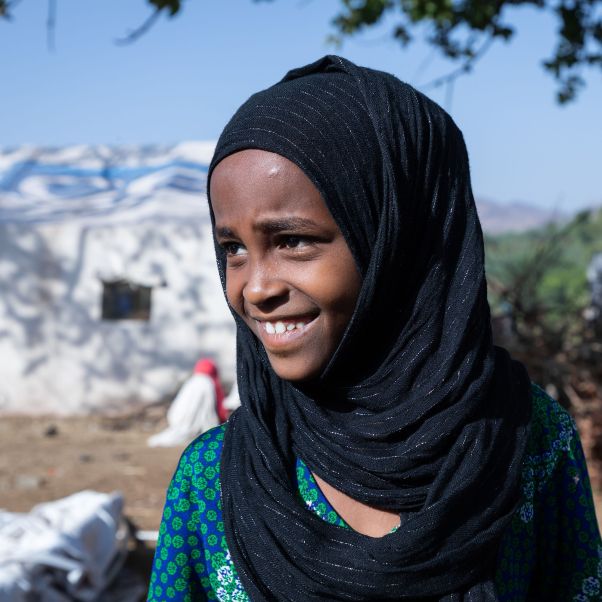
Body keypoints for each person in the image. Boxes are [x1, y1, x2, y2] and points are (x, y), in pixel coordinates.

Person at [147, 56, 601, 601]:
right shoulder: (213, 480)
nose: (256, 287)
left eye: (293, 240)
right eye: (234, 249)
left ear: (399, 244)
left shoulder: (527, 443)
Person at [147, 358, 224, 447]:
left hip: (180, 419)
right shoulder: (208, 383)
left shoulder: (192, 382)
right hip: (198, 424)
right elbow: (213, 406)